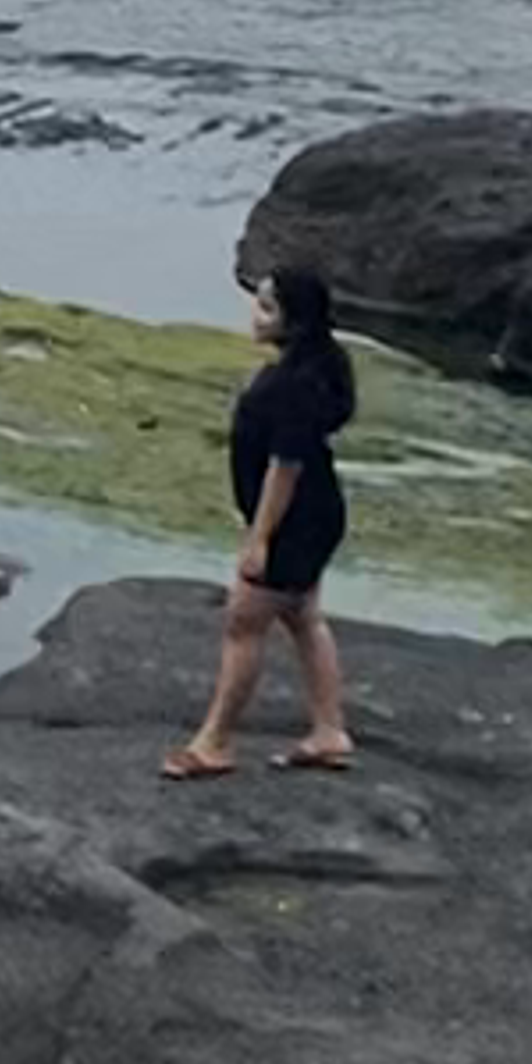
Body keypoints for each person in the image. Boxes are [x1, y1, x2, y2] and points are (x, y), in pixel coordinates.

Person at [163, 264, 356, 778]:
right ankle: (328, 730)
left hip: (294, 520)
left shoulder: (294, 384)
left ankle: (214, 743)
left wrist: (259, 539)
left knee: (244, 625)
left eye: (269, 307)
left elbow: (285, 468)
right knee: (303, 616)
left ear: (295, 321)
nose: (256, 313)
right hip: (320, 513)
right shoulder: (323, 364)